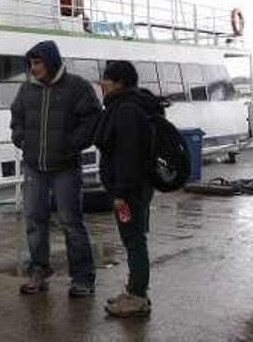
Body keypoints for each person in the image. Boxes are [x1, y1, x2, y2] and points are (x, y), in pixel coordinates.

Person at [10, 41, 101, 297]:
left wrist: (72, 145)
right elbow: (16, 117)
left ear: (50, 61)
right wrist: (20, 137)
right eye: (31, 63)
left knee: (71, 222)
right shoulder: (26, 89)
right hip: (33, 166)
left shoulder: (77, 87)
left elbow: (92, 119)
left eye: (37, 63)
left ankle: (82, 278)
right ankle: (39, 270)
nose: (33, 68)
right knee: (34, 220)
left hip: (65, 168)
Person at [94, 60, 158, 318]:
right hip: (136, 187)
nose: (102, 83)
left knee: (134, 241)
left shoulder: (126, 111)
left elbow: (127, 156)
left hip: (129, 190)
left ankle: (138, 297)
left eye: (106, 79)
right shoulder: (131, 106)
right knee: (134, 239)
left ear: (119, 82)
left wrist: (120, 193)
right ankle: (134, 290)